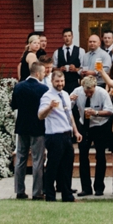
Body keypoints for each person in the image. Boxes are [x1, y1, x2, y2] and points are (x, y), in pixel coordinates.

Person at [37, 73, 77, 201]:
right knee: (53, 167)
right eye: (57, 81)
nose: (60, 83)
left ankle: (67, 195)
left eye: (62, 81)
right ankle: (50, 195)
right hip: (54, 135)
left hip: (67, 134)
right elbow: (40, 115)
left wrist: (76, 131)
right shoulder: (47, 96)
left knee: (67, 166)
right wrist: (49, 107)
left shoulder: (65, 94)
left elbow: (69, 114)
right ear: (52, 81)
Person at [14, 56, 48, 200]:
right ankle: (37, 192)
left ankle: (19, 190)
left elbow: (14, 105)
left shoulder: (19, 86)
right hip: (38, 127)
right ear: (38, 74)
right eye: (44, 73)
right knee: (37, 160)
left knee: (21, 158)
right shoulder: (43, 88)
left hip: (22, 126)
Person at [76, 68, 113, 194]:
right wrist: (69, 99)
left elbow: (110, 111)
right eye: (86, 92)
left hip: (99, 125)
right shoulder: (77, 91)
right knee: (83, 156)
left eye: (90, 92)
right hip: (84, 125)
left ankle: (99, 187)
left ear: (94, 87)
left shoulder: (102, 93)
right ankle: (86, 188)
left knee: (100, 156)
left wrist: (96, 112)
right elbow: (66, 107)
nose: (88, 95)